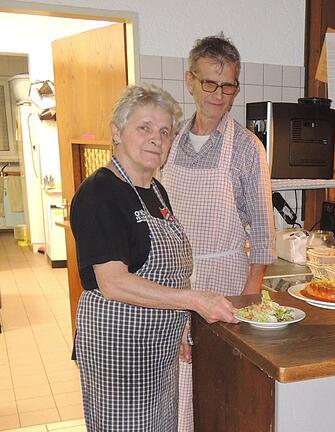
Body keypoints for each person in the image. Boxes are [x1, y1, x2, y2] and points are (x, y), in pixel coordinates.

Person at [70, 84, 238, 431]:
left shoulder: (155, 190)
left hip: (157, 350)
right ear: (117, 131)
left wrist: (178, 327)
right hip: (119, 350)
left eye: (164, 131)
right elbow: (113, 282)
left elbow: (169, 271)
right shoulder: (99, 193)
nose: (156, 139)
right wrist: (192, 300)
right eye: (144, 127)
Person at [162, 33, 276, 431]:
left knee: (219, 387)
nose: (218, 94)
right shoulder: (168, 141)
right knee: (176, 381)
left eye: (228, 85)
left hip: (225, 282)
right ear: (189, 81)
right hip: (174, 282)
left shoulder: (247, 147)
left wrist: (248, 301)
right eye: (209, 82)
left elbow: (262, 233)